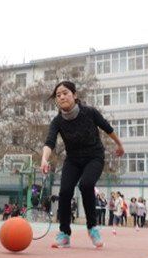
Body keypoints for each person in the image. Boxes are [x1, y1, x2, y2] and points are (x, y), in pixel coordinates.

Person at [40, 81, 124, 248]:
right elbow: (50, 142)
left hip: (94, 157)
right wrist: (44, 159)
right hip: (73, 160)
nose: (61, 97)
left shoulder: (90, 112)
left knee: (86, 185)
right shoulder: (57, 121)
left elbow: (107, 128)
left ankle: (93, 228)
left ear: (75, 95)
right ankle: (64, 234)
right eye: (58, 95)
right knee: (65, 191)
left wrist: (119, 144)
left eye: (65, 93)